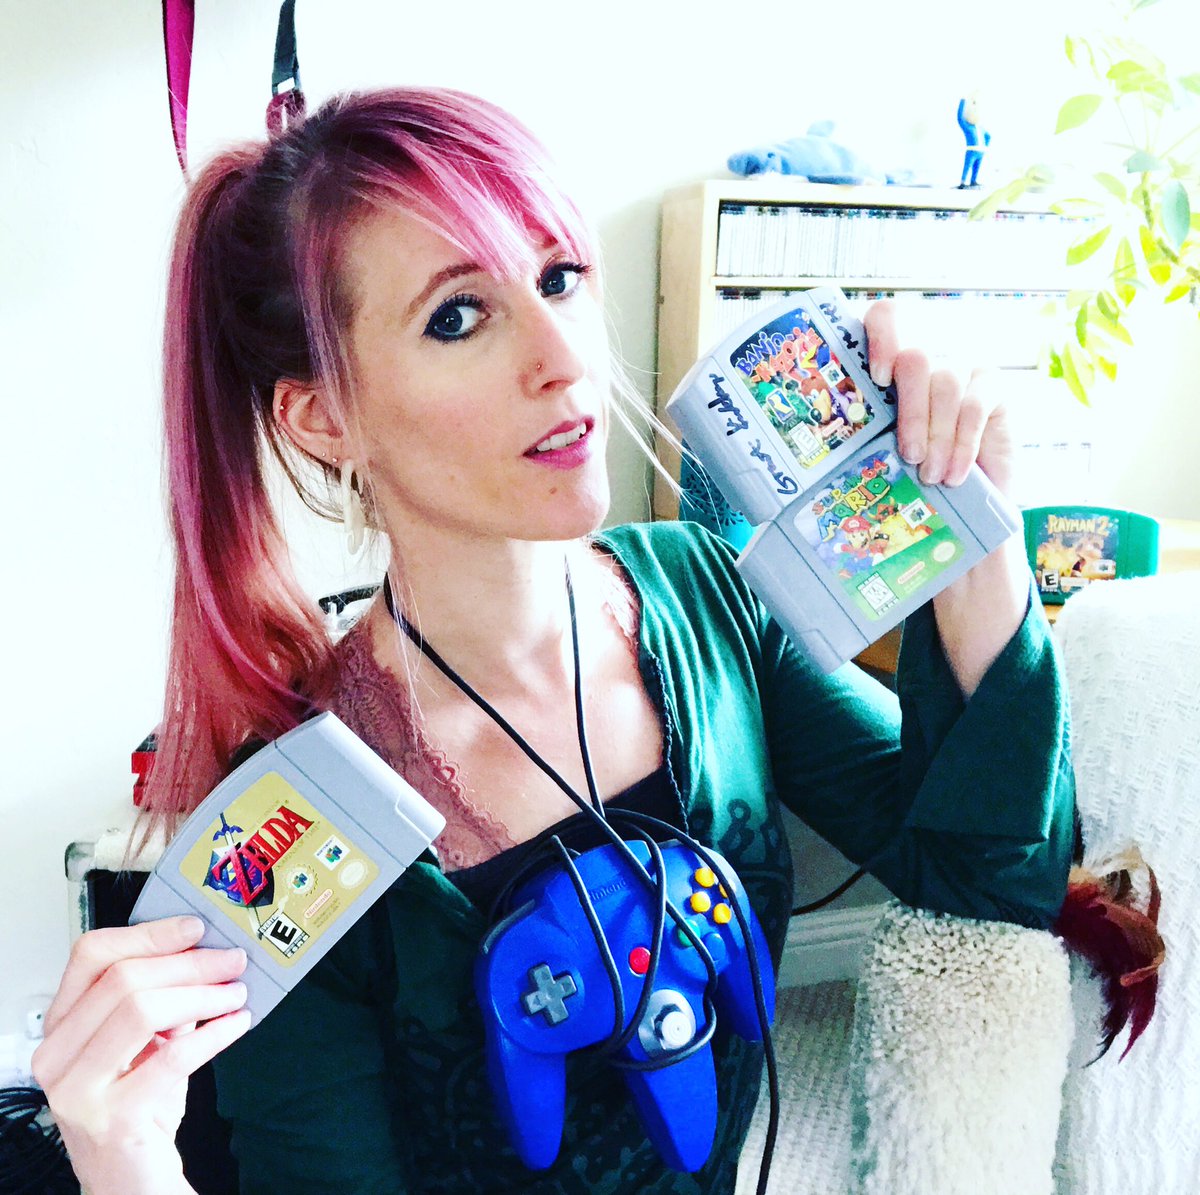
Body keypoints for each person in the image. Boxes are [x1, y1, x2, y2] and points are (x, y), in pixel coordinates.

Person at [32, 87, 1074, 1194]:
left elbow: (988, 873)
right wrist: (125, 1163)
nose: (562, 356)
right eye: (457, 317)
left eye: (559, 277)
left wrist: (974, 518)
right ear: (324, 418)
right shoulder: (296, 825)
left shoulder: (705, 593)